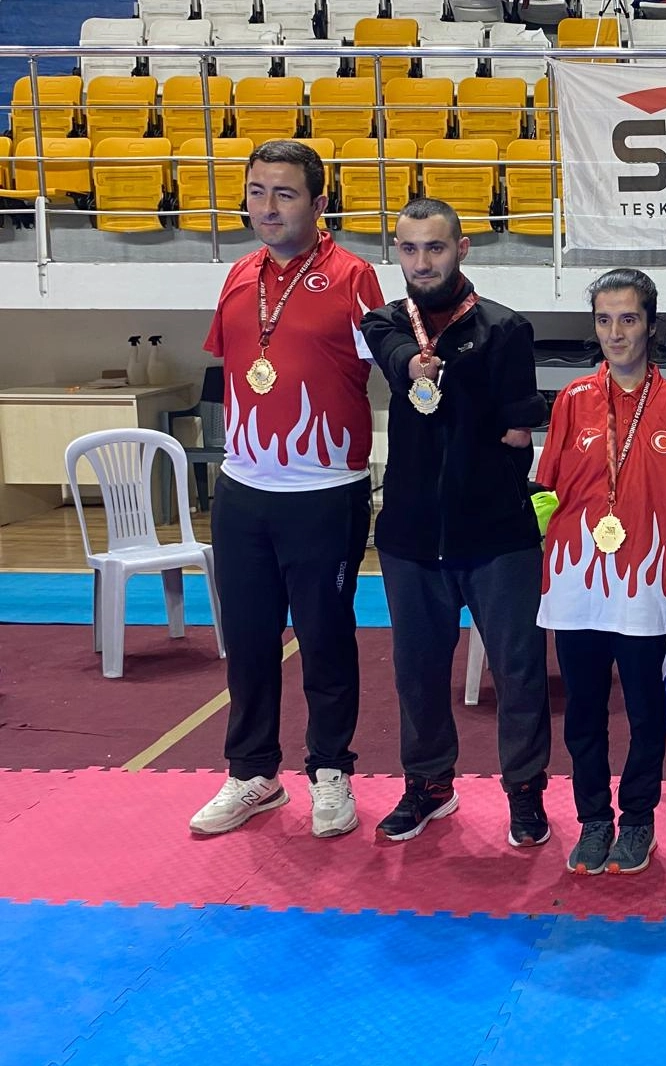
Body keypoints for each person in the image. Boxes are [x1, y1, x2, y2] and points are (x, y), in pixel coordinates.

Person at [188, 140, 383, 839]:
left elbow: (396, 368)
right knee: (248, 640)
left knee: (325, 639)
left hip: (325, 491)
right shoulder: (239, 275)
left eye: (285, 193)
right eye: (257, 191)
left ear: (319, 203)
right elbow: (242, 369)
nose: (267, 207)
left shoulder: (355, 277)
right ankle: (252, 774)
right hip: (242, 491)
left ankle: (330, 770)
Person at [356, 198, 550, 848]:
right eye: (409, 249)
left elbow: (519, 432)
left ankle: (525, 791)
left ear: (462, 249)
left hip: (496, 535)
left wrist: (485, 435)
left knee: (518, 672)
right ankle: (428, 786)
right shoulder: (385, 322)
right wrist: (414, 367)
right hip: (411, 535)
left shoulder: (505, 328)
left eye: (435, 247)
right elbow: (391, 351)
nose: (422, 261)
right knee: (416, 672)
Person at [535, 268, 666, 876]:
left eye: (628, 319)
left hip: (647, 578)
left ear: (650, 324)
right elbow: (548, 488)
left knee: (646, 708)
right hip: (578, 578)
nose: (615, 333)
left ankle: (640, 819)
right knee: (584, 708)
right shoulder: (573, 399)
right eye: (604, 319)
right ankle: (594, 818)